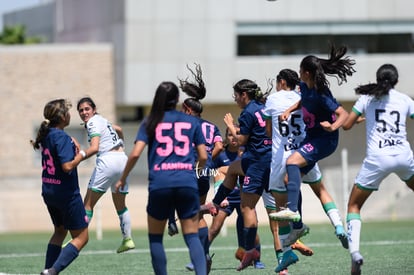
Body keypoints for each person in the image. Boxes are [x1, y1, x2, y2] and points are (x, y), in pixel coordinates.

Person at [269, 47, 355, 270]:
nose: (298, 72)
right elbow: (302, 102)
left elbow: (343, 114)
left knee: (291, 163)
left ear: (307, 72)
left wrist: (332, 126)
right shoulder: (304, 88)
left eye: (300, 69)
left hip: (324, 140)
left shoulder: (320, 92)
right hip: (311, 139)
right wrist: (289, 109)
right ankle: (337, 227)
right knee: (294, 179)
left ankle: (295, 217)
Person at [115, 81, 208, 275]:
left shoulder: (150, 121)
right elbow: (204, 156)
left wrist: (123, 178)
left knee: (156, 238)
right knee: (191, 236)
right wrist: (193, 172)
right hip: (186, 183)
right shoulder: (191, 121)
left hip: (160, 184)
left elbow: (134, 154)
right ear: (177, 100)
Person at [342, 64, 414, 275]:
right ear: (396, 81)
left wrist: (361, 119)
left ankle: (355, 254)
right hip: (403, 156)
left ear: (377, 78)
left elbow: (346, 125)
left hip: (377, 159)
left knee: (354, 205)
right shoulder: (405, 99)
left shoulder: (366, 99)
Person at [208, 79, 272, 271]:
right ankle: (216, 202)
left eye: (236, 95)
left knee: (247, 208)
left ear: (244, 94)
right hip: (270, 158)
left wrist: (230, 125)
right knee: (234, 169)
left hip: (258, 162)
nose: (235, 99)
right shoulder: (262, 107)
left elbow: (242, 139)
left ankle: (250, 249)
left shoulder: (248, 112)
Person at [31, 99, 89, 275]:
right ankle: (52, 271)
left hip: (49, 191)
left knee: (60, 231)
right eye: (68, 112)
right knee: (81, 237)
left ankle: (47, 270)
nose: (71, 114)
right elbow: (67, 166)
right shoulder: (61, 137)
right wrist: (82, 154)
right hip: (66, 194)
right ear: (63, 117)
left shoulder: (47, 134)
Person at [178, 63, 224, 273]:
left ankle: (198, 258)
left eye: (182, 109)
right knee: (198, 216)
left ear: (188, 110)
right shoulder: (211, 126)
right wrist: (206, 162)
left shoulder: (186, 126)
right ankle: (203, 256)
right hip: (204, 172)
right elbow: (219, 145)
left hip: (188, 173)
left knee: (189, 215)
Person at [76, 97, 135, 253]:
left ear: (94, 109)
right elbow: (120, 130)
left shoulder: (92, 122)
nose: (84, 112)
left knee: (87, 205)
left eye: (87, 109)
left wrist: (78, 157)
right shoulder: (103, 120)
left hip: (107, 161)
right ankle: (127, 239)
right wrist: (120, 145)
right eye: (81, 110)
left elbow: (95, 148)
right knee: (121, 206)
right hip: (122, 160)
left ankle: (78, 239)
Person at [208, 126, 266, 269]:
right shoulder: (221, 154)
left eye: (237, 134)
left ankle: (257, 259)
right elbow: (216, 173)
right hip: (226, 198)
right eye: (230, 135)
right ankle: (199, 255)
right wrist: (220, 196)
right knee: (214, 228)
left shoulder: (246, 152)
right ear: (227, 136)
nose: (233, 137)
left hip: (244, 197)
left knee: (251, 227)